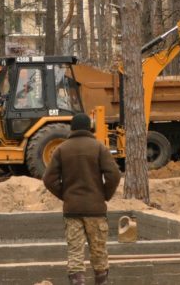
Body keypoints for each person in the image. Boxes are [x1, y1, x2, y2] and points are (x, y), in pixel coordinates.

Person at [43, 113, 121, 285]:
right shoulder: (99, 148)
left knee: (75, 254)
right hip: (96, 210)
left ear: (72, 128)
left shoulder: (62, 149)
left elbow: (48, 179)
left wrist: (66, 195)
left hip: (72, 211)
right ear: (89, 127)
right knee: (99, 252)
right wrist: (104, 195)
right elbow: (114, 174)